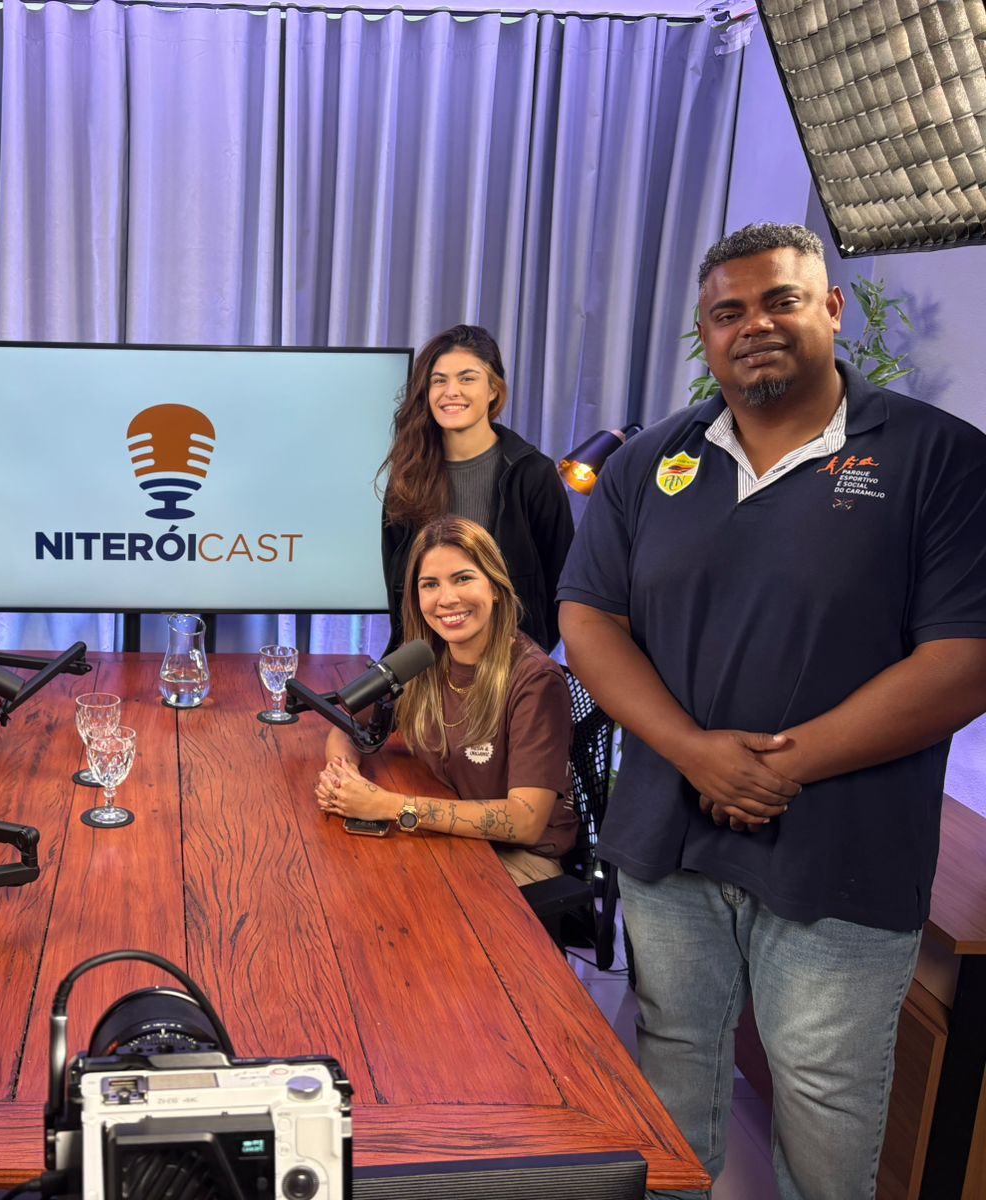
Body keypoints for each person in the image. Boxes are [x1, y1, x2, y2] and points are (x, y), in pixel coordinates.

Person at [558, 222, 986, 1200]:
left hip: (844, 850)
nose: (753, 324)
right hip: (669, 837)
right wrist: (693, 753)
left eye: (779, 300)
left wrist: (775, 767)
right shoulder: (650, 462)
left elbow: (964, 661)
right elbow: (588, 619)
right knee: (671, 1070)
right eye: (728, 312)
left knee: (826, 1103)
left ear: (830, 309)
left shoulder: (940, 459)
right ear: (705, 336)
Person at [317, 516, 578, 886]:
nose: (447, 598)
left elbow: (525, 822)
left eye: (463, 578)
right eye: (430, 584)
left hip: (517, 858)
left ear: (495, 587)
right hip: (445, 836)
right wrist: (344, 779)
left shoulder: (535, 680)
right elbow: (346, 722)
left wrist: (388, 805)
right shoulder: (422, 657)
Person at [380, 325, 574, 653]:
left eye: (467, 378)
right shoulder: (408, 477)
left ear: (494, 389)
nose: (451, 391)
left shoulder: (533, 474)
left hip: (510, 663)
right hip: (426, 663)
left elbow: (562, 587)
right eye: (439, 380)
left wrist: (525, 657)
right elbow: (399, 586)